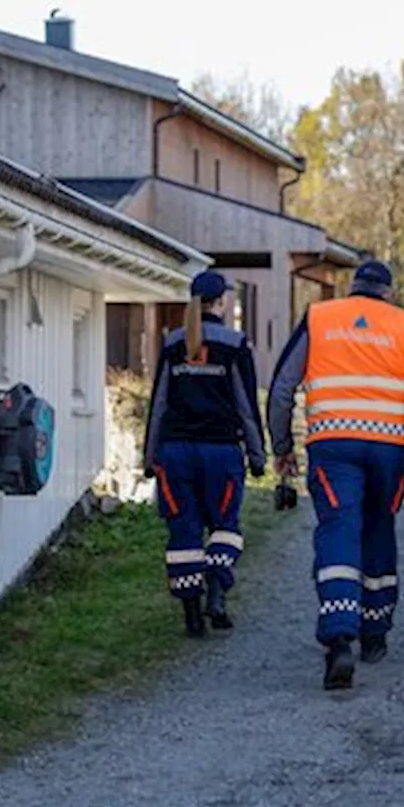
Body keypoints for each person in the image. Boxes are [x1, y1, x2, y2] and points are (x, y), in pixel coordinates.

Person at [267, 259, 404, 690]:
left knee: (338, 531)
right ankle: (375, 631)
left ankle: (339, 635)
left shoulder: (320, 318)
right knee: (378, 528)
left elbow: (281, 389)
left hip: (332, 447)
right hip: (390, 451)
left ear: (352, 289)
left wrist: (282, 448)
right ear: (388, 291)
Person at [143, 270, 267, 638]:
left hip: (175, 453)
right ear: (222, 302)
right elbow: (246, 407)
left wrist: (150, 459)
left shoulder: (173, 344)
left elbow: (159, 404)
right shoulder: (235, 343)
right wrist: (258, 457)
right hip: (221, 452)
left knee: (184, 532)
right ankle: (217, 590)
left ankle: (192, 616)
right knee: (225, 528)